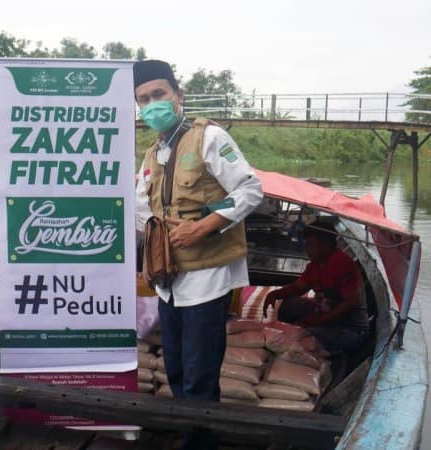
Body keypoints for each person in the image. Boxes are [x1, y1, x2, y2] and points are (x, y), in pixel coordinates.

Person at [133, 59, 263, 450]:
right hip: (169, 280)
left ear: (178, 95)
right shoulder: (152, 154)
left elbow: (250, 190)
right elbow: (141, 213)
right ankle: (191, 433)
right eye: (143, 99)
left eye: (158, 94)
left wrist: (203, 226)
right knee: (175, 368)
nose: (152, 104)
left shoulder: (209, 137)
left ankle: (201, 442)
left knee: (199, 375)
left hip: (207, 277)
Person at [262, 221, 368, 352]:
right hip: (324, 313)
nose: (306, 248)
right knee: (288, 306)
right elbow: (298, 288)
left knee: (306, 336)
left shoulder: (343, 264)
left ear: (325, 244)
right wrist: (275, 294)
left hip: (349, 328)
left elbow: (349, 305)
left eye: (310, 243)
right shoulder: (315, 265)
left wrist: (314, 321)